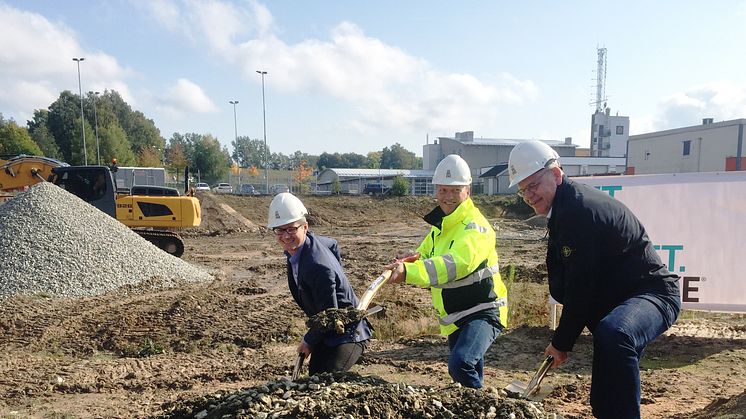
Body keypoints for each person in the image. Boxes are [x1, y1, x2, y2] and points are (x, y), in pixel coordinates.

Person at [507, 141, 680, 418]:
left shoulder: (580, 211)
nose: (529, 195)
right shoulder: (562, 210)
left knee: (616, 333)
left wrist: (562, 343)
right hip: (616, 302)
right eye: (523, 189)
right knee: (603, 392)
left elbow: (580, 287)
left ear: (556, 174)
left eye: (534, 185)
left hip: (653, 293)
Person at [385, 154, 508, 389]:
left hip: (483, 311)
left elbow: (456, 264)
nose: (448, 197)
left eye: (455, 190)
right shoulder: (442, 225)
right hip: (457, 315)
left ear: (467, 191)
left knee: (460, 364)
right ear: (436, 191)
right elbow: (425, 254)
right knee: (467, 371)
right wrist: (407, 262)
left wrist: (408, 273)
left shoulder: (476, 227)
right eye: (443, 190)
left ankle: (483, 406)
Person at [268, 192, 372, 374]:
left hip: (348, 334)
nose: (285, 236)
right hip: (328, 330)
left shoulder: (317, 266)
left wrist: (308, 340)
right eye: (280, 230)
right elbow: (333, 244)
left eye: (291, 229)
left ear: (305, 227)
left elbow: (329, 316)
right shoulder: (302, 248)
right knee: (315, 372)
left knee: (323, 378)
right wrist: (337, 275)